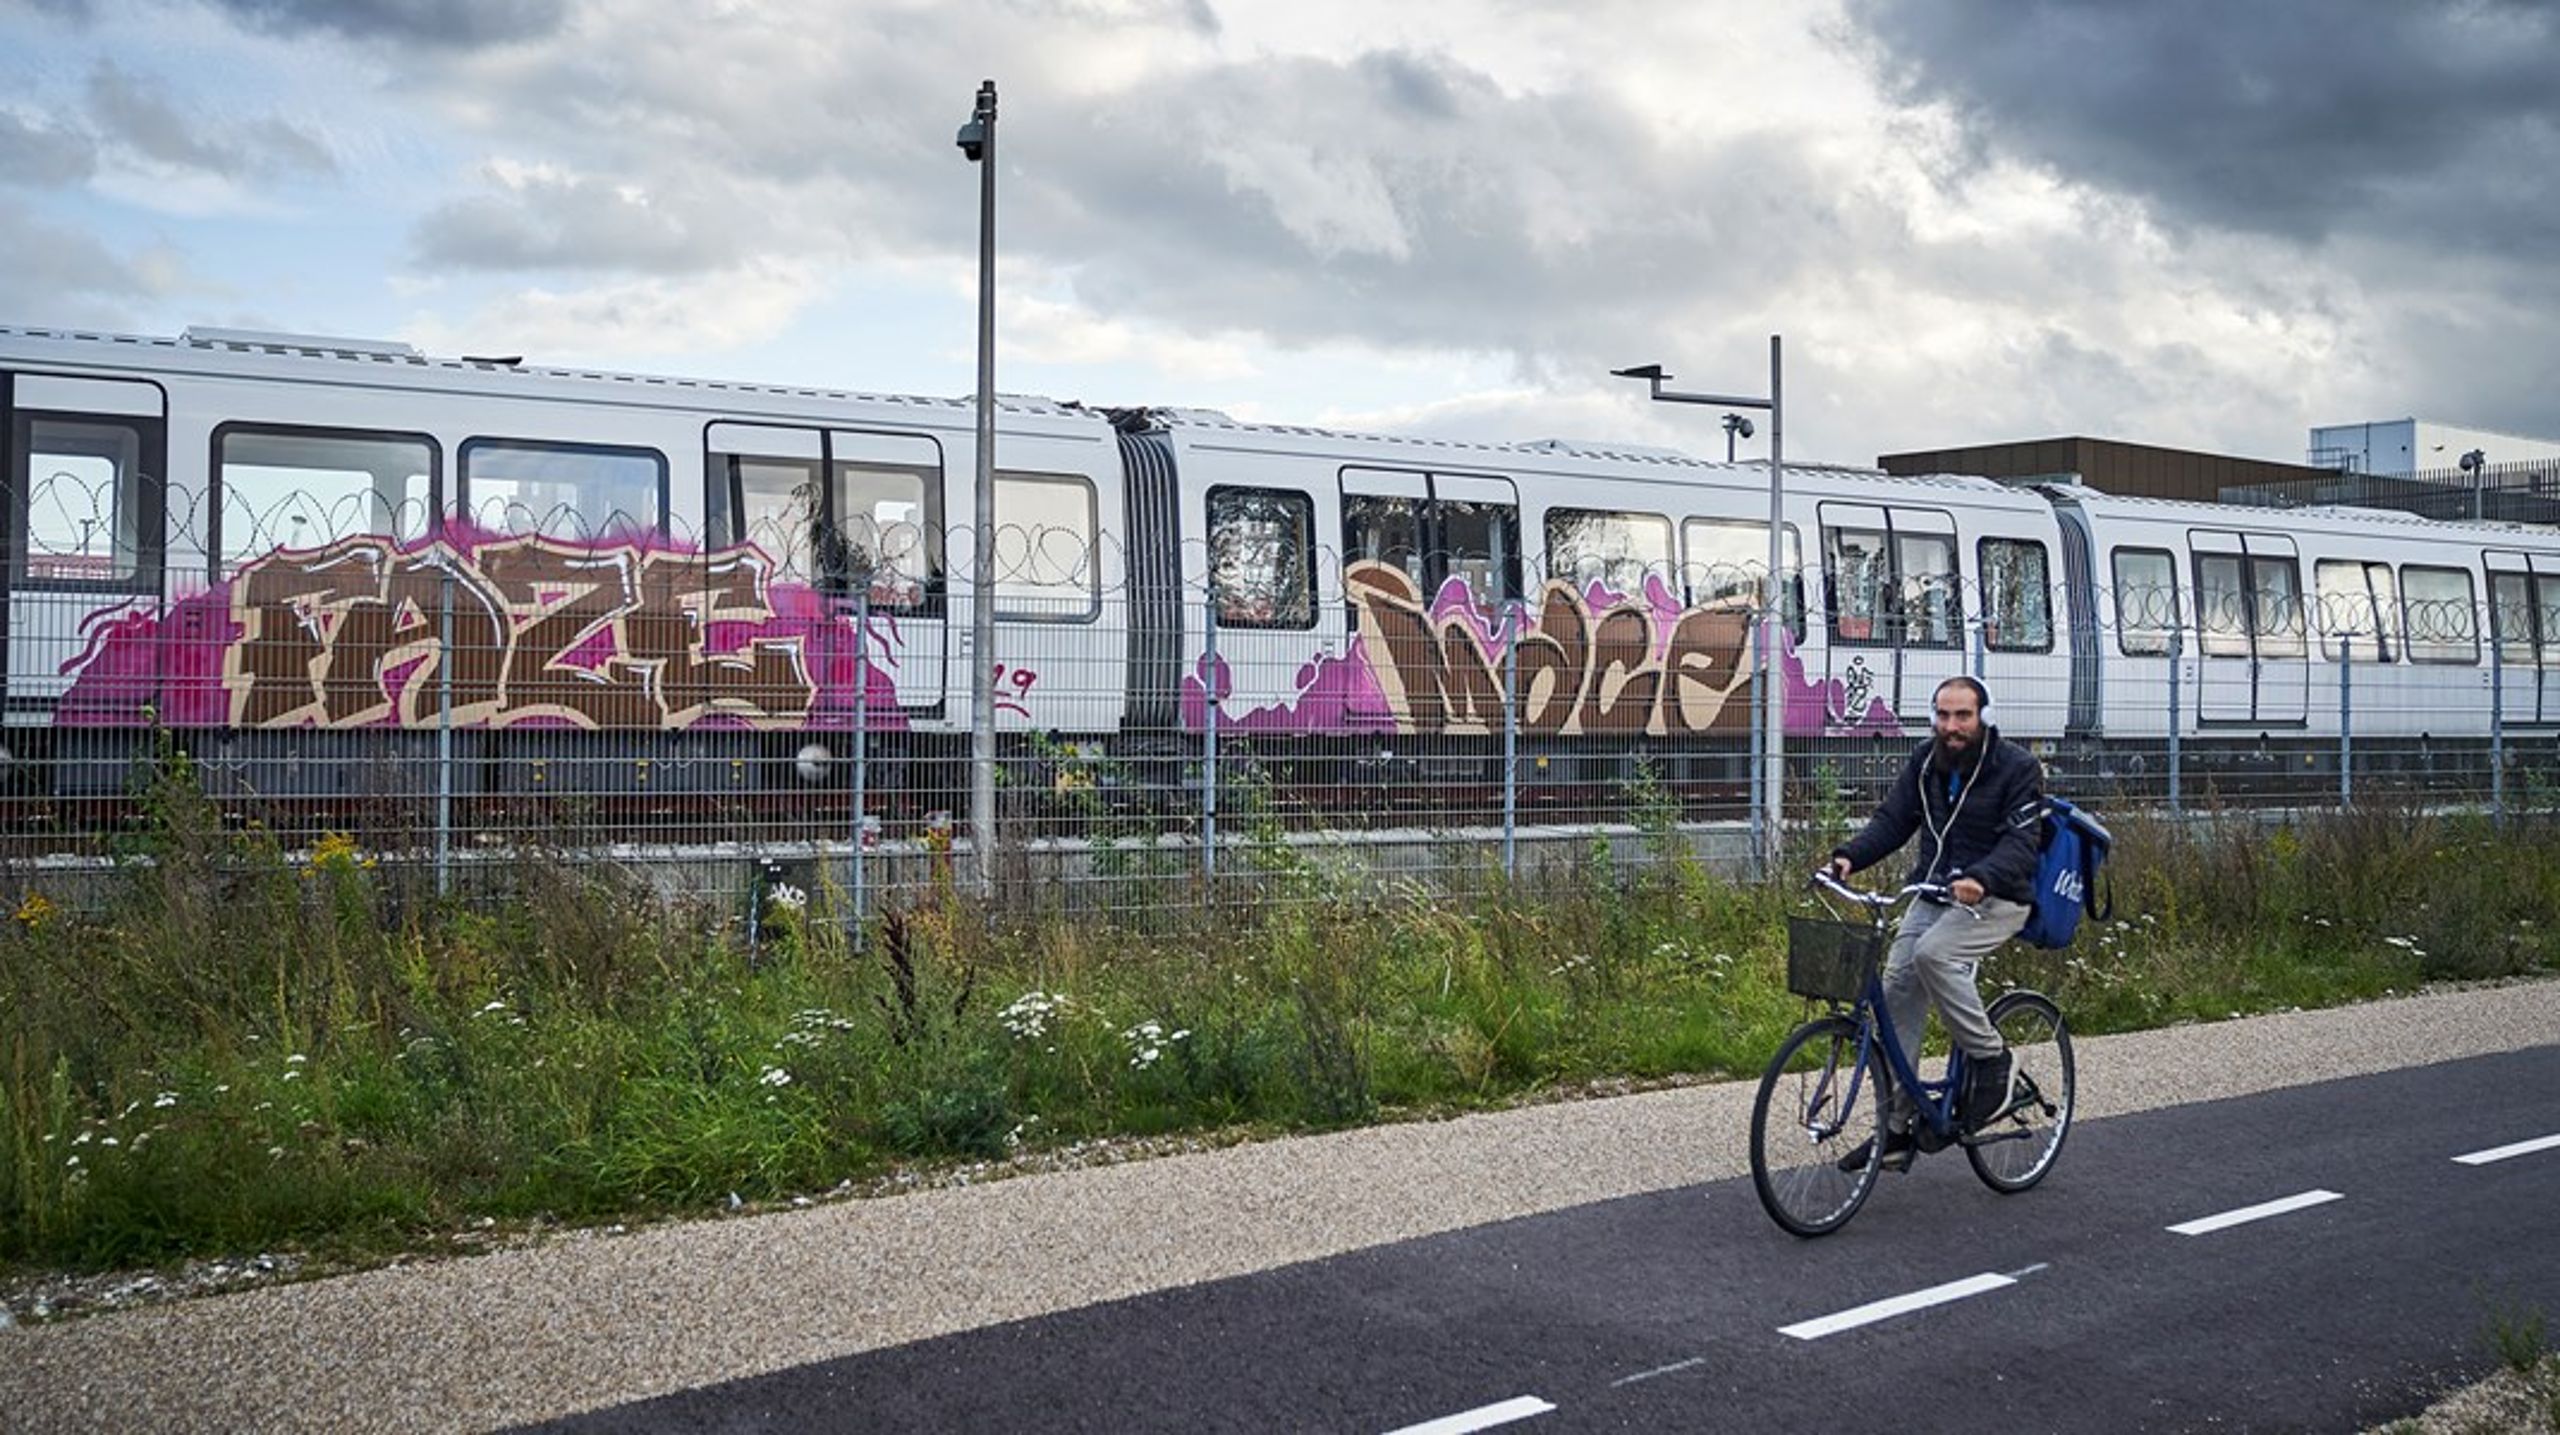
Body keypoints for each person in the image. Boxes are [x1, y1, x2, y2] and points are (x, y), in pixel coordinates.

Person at [1825, 674, 2046, 1172]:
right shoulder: (1926, 761)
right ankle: (1898, 1129)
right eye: (1943, 716)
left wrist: (1982, 878)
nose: (1952, 727)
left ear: (1983, 718)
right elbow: (1893, 820)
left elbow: (2020, 844)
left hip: (1998, 897)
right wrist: (1848, 858)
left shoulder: (2018, 768)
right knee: (1897, 985)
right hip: (1934, 890)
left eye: (1963, 716)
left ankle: (1992, 1060)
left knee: (1933, 955)